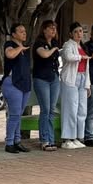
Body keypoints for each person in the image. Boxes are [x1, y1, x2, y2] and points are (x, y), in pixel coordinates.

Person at [2, 23, 33, 154]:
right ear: (13, 34)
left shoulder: (25, 49)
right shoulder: (10, 44)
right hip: (12, 84)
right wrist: (20, 48)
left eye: (24, 31)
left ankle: (17, 141)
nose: (24, 33)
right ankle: (9, 143)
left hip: (24, 84)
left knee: (18, 115)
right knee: (14, 115)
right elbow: (9, 55)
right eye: (21, 31)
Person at [58, 23, 90, 150]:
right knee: (70, 109)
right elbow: (68, 56)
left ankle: (77, 137)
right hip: (71, 79)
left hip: (82, 78)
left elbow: (87, 67)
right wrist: (81, 57)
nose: (79, 34)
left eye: (81, 31)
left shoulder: (82, 46)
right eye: (76, 31)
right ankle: (67, 138)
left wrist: (88, 85)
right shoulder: (68, 45)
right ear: (71, 34)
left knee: (82, 110)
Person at [32, 20, 62, 152]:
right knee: (45, 109)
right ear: (44, 30)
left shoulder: (54, 43)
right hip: (41, 78)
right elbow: (44, 54)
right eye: (50, 28)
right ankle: (44, 140)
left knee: (51, 110)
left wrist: (54, 47)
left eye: (54, 28)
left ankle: (51, 139)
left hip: (54, 77)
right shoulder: (39, 43)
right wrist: (54, 49)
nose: (53, 30)